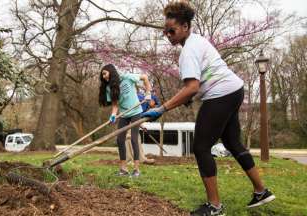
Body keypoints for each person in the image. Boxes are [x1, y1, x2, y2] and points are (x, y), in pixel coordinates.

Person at [141, 2, 275, 215]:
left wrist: (162, 108)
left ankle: (214, 206)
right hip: (234, 89)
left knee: (201, 148)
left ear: (185, 26)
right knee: (232, 142)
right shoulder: (196, 42)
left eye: (172, 30)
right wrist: (186, 97)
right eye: (165, 31)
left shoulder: (188, 51)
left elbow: (192, 86)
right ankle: (261, 191)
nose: (168, 35)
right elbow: (199, 81)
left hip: (220, 94)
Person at [99, 64, 152, 177]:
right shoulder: (110, 88)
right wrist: (113, 115)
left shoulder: (127, 77)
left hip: (136, 111)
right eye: (102, 75)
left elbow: (145, 77)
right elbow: (115, 105)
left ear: (111, 72)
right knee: (120, 139)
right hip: (124, 114)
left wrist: (148, 93)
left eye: (104, 73)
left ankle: (136, 170)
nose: (103, 77)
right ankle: (123, 169)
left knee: (133, 139)